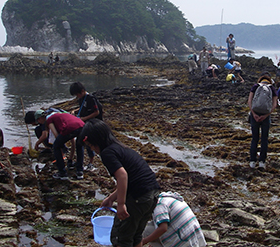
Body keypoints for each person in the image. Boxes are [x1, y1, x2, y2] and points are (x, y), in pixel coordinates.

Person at [80, 119, 160, 247]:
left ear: (97, 141)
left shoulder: (107, 153)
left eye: (90, 145)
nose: (92, 149)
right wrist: (111, 198)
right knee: (135, 235)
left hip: (138, 198)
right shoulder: (121, 148)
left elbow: (123, 175)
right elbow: (133, 180)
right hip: (152, 194)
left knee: (121, 238)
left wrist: (121, 204)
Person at [140, 191, 206, 247]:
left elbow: (163, 228)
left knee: (147, 230)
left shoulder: (159, 204)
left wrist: (144, 241)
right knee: (153, 226)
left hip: (184, 241)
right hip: (195, 238)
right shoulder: (167, 198)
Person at [35, 110, 85, 180]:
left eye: (38, 121)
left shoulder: (49, 120)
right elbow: (73, 140)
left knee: (56, 147)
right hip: (82, 125)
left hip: (70, 128)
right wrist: (70, 159)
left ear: (40, 119)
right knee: (79, 146)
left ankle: (62, 173)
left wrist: (61, 145)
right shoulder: (60, 115)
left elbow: (56, 135)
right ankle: (80, 171)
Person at [70, 82, 103, 171]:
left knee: (88, 143)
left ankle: (91, 163)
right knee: (82, 142)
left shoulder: (91, 98)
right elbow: (82, 107)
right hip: (85, 124)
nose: (77, 96)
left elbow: (96, 112)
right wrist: (75, 111)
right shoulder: (81, 99)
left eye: (77, 94)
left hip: (93, 124)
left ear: (82, 91)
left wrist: (83, 118)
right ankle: (81, 163)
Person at [248, 73, 278, 168]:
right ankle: (262, 161)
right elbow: (274, 104)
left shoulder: (256, 86)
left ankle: (252, 161)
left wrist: (254, 114)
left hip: (255, 114)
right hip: (265, 116)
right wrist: (266, 115)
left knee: (255, 138)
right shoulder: (272, 88)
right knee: (264, 139)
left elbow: (250, 101)